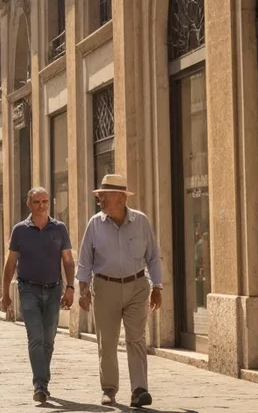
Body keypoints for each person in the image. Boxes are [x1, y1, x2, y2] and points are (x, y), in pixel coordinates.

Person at [77, 174, 164, 407]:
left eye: (104, 196)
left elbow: (153, 256)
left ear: (121, 198)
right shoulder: (95, 223)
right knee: (107, 342)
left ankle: (139, 390)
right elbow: (85, 260)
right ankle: (109, 390)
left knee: (136, 338)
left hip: (137, 287)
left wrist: (157, 286)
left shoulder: (141, 221)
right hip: (105, 287)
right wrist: (83, 290)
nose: (100, 200)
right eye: (99, 196)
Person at [2, 186, 75, 404]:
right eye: (37, 202)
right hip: (28, 289)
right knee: (35, 337)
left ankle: (43, 379)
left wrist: (70, 287)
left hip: (53, 289)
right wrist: (5, 293)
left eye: (45, 202)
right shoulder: (19, 230)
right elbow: (10, 262)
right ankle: (40, 384)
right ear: (29, 204)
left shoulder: (59, 228)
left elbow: (68, 260)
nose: (41, 206)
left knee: (49, 339)